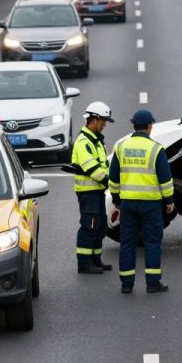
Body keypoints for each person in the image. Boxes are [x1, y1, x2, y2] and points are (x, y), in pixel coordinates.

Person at [109, 109, 174, 294]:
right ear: (149, 126)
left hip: (128, 203)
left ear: (134, 126)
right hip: (151, 204)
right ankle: (153, 283)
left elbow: (113, 178)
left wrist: (116, 198)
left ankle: (126, 284)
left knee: (127, 243)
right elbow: (165, 179)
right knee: (152, 243)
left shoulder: (121, 147)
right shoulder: (156, 149)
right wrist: (169, 200)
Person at [71, 101, 114, 274]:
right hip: (88, 192)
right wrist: (108, 181)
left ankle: (96, 259)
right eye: (103, 121)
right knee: (89, 226)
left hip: (97, 191)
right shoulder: (84, 142)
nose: (104, 125)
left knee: (99, 226)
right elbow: (92, 168)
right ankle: (84, 263)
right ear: (94, 120)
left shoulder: (95, 141)